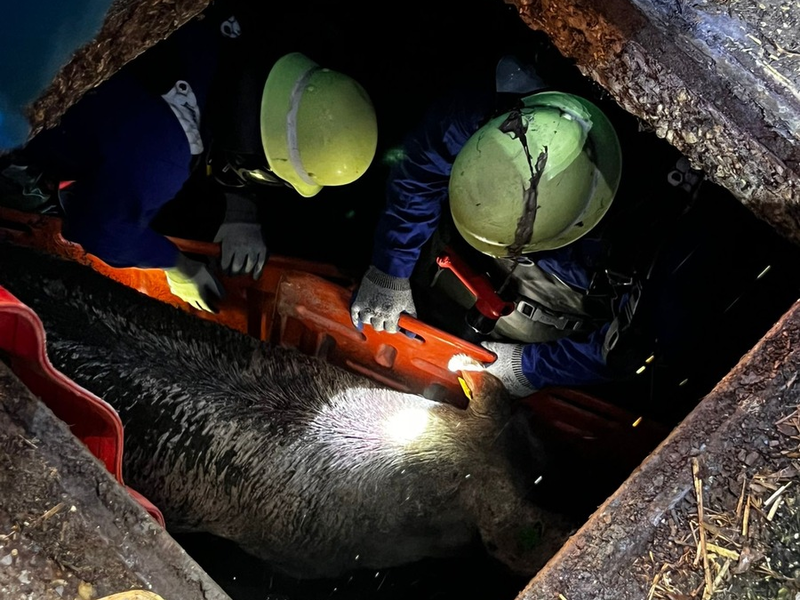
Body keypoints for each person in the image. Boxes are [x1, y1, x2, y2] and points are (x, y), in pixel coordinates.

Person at [10, 0, 378, 313]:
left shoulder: (232, 30)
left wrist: (241, 209)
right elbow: (100, 230)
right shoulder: (164, 155)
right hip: (26, 104)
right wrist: (178, 265)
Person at [349, 56, 670, 399]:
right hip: (451, 267)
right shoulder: (495, 106)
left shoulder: (659, 225)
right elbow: (420, 170)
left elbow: (637, 344)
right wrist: (391, 268)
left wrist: (531, 367)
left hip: (554, 324)